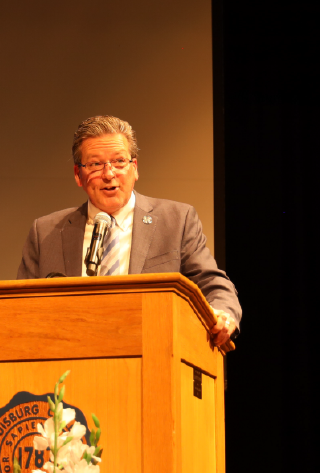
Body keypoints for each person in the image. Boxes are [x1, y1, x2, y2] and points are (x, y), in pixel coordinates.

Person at [17, 115, 241, 348]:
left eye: (119, 161)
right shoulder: (45, 233)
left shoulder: (176, 221)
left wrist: (224, 314)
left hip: (154, 354)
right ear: (78, 174)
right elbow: (18, 309)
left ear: (134, 168)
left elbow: (212, 283)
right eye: (95, 164)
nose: (109, 174)